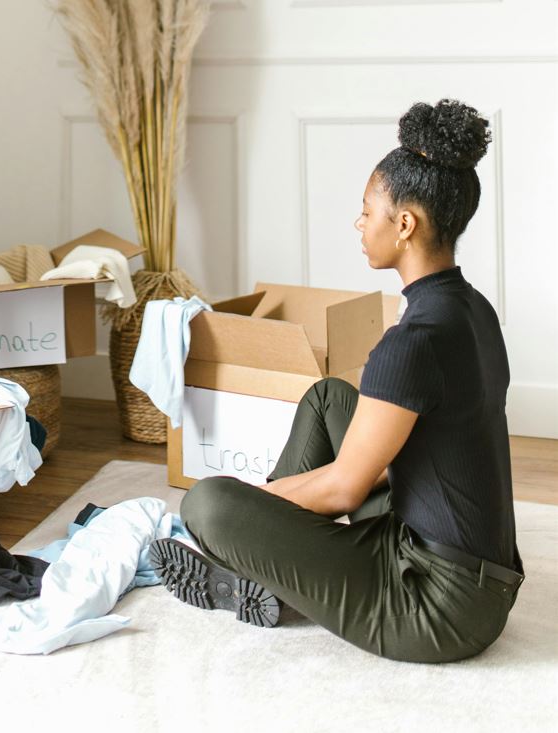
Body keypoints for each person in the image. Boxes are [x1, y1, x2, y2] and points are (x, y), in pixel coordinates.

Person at [150, 99, 524, 664]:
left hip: (438, 609)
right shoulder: (473, 310)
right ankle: (262, 562)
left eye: (367, 210)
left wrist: (250, 506)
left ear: (404, 225)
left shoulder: (411, 342)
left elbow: (345, 490)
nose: (359, 222)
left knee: (206, 504)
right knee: (328, 397)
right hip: (468, 571)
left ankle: (247, 564)